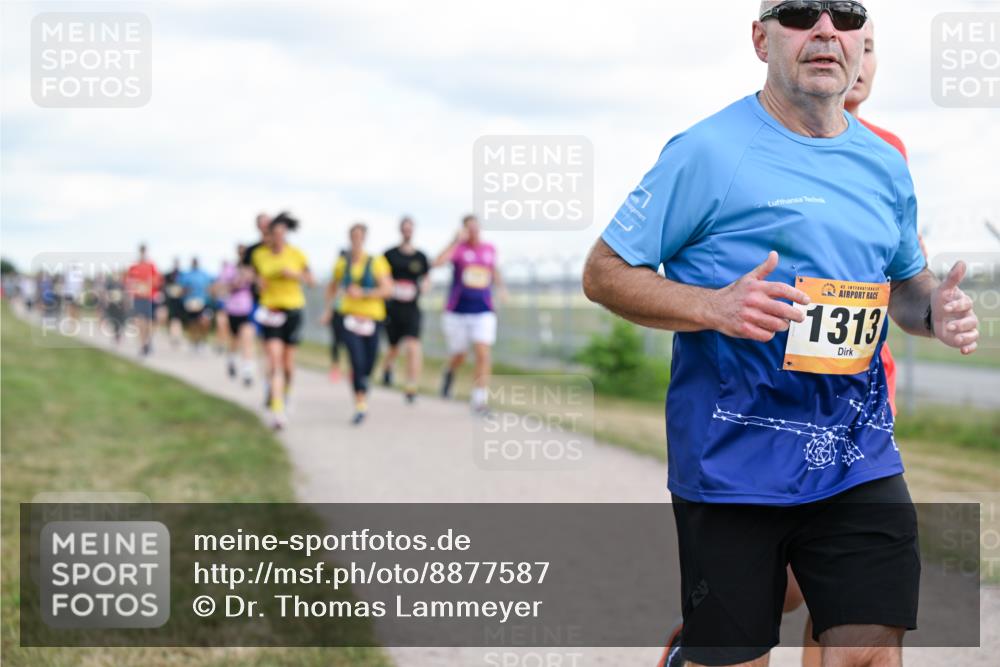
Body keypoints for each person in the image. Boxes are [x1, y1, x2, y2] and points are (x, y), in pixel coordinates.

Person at [583, 3, 980, 667]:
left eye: (847, 16)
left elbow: (906, 289)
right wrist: (714, 307)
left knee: (868, 651)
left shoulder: (884, 163)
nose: (826, 30)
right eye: (801, 13)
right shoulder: (707, 152)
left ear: (861, 41)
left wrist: (934, 311)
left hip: (858, 453)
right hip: (731, 463)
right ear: (761, 36)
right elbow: (603, 273)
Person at [433, 214, 506, 415]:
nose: (473, 232)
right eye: (469, 228)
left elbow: (494, 270)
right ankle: (449, 372)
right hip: (457, 310)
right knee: (460, 354)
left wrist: (501, 288)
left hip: (483, 309)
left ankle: (479, 400)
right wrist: (454, 241)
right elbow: (437, 263)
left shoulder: (489, 249)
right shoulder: (458, 249)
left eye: (476, 228)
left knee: (483, 352)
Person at [322, 223, 393, 425]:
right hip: (349, 316)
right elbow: (332, 287)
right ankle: (360, 403)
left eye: (359, 236)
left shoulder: (377, 262)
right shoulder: (342, 263)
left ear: (365, 238)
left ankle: (363, 384)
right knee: (356, 359)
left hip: (372, 317)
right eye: (353, 236)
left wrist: (365, 293)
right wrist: (329, 310)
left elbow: (388, 289)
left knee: (369, 362)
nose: (356, 240)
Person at [250, 212, 313, 429]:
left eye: (281, 234)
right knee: (274, 360)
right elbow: (256, 277)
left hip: (293, 311)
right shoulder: (260, 255)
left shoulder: (297, 255)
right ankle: (277, 409)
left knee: (288, 364)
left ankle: (287, 393)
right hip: (270, 311)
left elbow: (311, 280)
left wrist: (294, 275)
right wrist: (259, 283)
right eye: (274, 234)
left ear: (286, 234)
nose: (278, 238)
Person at [380, 216, 431, 403]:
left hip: (412, 308)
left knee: (413, 345)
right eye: (405, 228)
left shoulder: (421, 257)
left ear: (413, 230)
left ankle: (411, 385)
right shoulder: (389, 254)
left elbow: (426, 278)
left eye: (410, 228)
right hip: (393, 307)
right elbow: (382, 276)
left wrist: (424, 286)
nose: (407, 232)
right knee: (393, 347)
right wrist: (391, 287)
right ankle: (387, 367)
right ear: (400, 230)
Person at [215, 245, 257, 386]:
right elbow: (221, 288)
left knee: (247, 337)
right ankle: (232, 359)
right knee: (235, 340)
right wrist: (235, 284)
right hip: (232, 309)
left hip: (248, 309)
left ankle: (247, 370)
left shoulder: (252, 268)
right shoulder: (230, 269)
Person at [124, 244, 162, 356]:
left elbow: (157, 281)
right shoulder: (134, 266)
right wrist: (135, 287)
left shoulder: (151, 265)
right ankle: (142, 345)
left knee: (150, 322)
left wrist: (148, 285)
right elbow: (128, 282)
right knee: (140, 321)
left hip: (149, 297)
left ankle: (148, 340)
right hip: (138, 297)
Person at [178, 258, 215, 351]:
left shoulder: (204, 274)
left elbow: (211, 286)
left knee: (204, 322)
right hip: (190, 302)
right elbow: (181, 289)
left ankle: (202, 340)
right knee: (193, 323)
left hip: (204, 302)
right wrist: (186, 291)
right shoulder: (186, 275)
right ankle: (194, 341)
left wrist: (210, 294)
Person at [161, 259, 186, 347]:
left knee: (177, 320)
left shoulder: (183, 275)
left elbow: (185, 287)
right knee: (172, 320)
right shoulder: (168, 275)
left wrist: (181, 292)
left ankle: (176, 336)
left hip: (179, 301)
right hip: (171, 301)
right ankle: (173, 336)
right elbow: (164, 287)